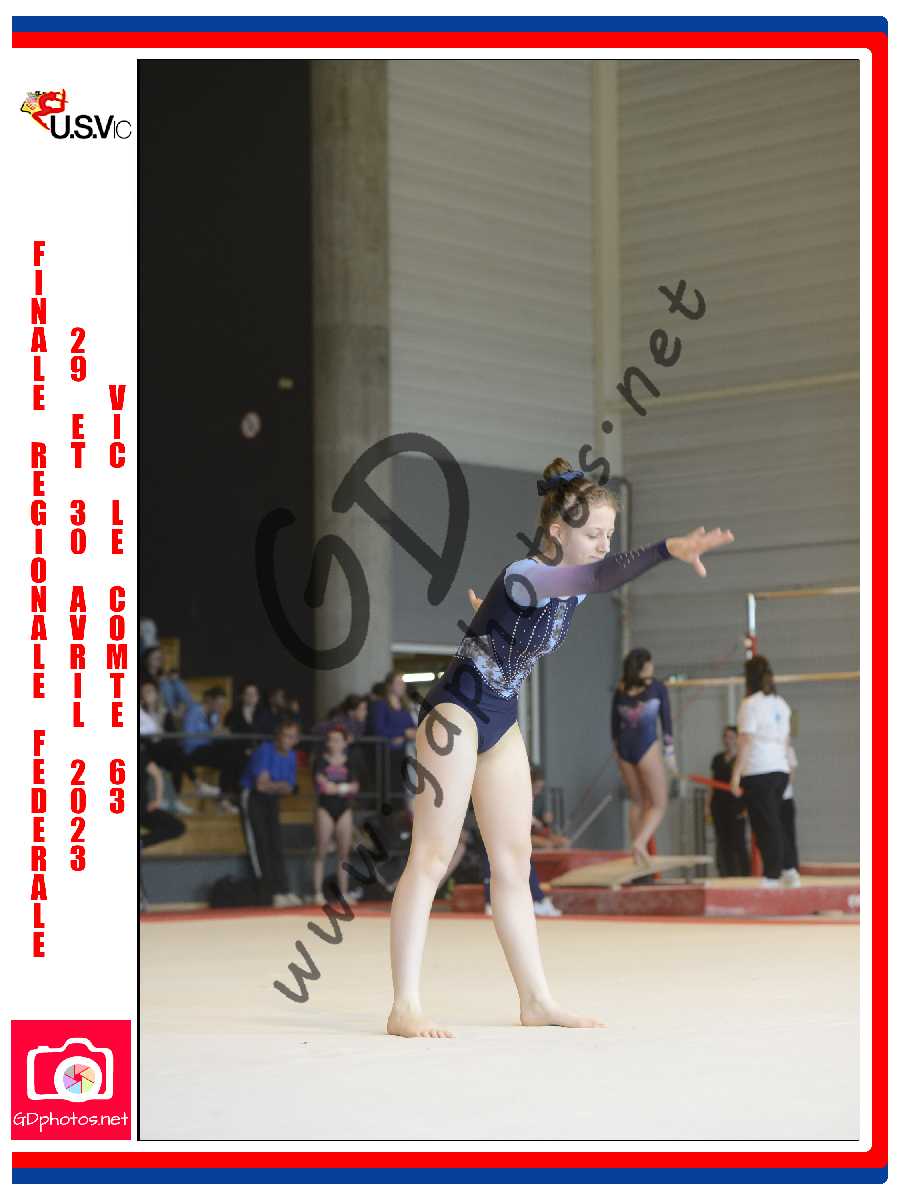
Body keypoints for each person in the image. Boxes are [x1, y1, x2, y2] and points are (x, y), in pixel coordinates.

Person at [386, 455, 734, 1037]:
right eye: (594, 534)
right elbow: (590, 579)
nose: (604, 545)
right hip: (455, 712)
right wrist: (668, 549)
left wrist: (488, 616)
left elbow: (542, 608)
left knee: (514, 861)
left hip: (501, 716)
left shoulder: (562, 587)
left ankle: (536, 1000)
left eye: (609, 535)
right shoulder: (530, 572)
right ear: (557, 531)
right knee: (432, 856)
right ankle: (405, 1004)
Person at [730, 655, 793, 888]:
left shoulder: (750, 704)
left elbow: (745, 740)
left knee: (765, 824)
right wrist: (787, 767)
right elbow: (786, 741)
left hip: (759, 770)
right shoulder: (781, 704)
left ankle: (773, 874)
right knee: (774, 820)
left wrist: (736, 774)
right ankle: (787, 868)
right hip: (779, 770)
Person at [611, 648, 676, 866]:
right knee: (659, 803)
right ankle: (640, 843)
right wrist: (669, 751)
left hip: (623, 748)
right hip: (645, 746)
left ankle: (637, 855)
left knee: (637, 801)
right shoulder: (656, 688)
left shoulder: (621, 688)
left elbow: (613, 726)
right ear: (645, 666)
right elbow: (666, 722)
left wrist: (617, 750)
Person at [239, 718, 303, 907]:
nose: (287, 740)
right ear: (278, 736)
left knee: (276, 843)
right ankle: (269, 892)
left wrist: (274, 785)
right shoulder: (264, 751)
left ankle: (284, 889)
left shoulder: (292, 756)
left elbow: (290, 788)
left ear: (296, 740)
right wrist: (279, 785)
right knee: (261, 843)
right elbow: (260, 785)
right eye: (285, 736)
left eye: (292, 737)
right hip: (253, 799)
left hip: (272, 800)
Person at [311, 725, 362, 905]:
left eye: (338, 740)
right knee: (321, 851)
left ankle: (344, 893)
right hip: (325, 808)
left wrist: (337, 788)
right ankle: (317, 893)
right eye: (331, 740)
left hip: (344, 809)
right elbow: (322, 786)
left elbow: (355, 787)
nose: (334, 743)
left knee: (344, 853)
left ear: (344, 743)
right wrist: (344, 788)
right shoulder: (320, 761)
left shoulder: (350, 761)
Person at [182, 686, 235, 812]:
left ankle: (223, 796)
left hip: (208, 750)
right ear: (210, 700)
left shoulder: (214, 716)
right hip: (192, 751)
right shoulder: (194, 712)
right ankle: (222, 797)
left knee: (232, 755)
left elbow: (214, 736)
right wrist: (211, 735)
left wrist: (222, 734)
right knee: (227, 756)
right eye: (218, 704)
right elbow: (188, 739)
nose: (220, 708)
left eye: (222, 705)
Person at [368, 671, 417, 807]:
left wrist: (406, 735)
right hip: (387, 753)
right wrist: (403, 733)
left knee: (404, 787)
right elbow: (378, 729)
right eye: (398, 683)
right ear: (389, 686)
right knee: (389, 788)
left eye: (403, 683)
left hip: (404, 751)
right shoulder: (380, 705)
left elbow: (412, 727)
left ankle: (403, 814)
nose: (402, 686)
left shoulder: (405, 706)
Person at [709, 725, 750, 876]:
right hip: (719, 804)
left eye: (731, 737)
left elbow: (747, 785)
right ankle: (725, 873)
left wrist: (746, 807)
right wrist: (708, 805)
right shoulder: (717, 759)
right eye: (725, 737)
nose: (728, 740)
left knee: (738, 841)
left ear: (737, 739)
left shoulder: (742, 759)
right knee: (722, 841)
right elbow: (712, 783)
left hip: (736, 805)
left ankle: (744, 874)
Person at [780, 743, 801, 886]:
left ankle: (792, 867)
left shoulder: (788, 749)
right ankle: (780, 868)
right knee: (776, 835)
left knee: (788, 834)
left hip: (785, 799)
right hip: (771, 800)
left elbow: (791, 776)